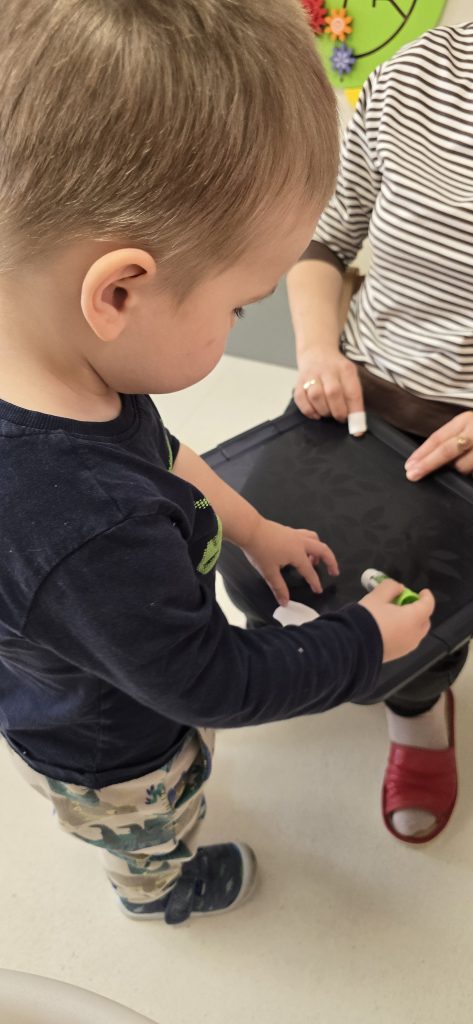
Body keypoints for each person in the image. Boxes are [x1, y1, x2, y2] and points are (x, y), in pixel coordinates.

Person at [0, 0, 434, 927]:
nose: (242, 323)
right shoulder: (85, 527)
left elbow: (154, 452)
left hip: (106, 671)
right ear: (120, 292)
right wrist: (363, 644)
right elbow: (211, 682)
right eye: (241, 305)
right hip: (111, 753)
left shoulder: (60, 371)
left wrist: (251, 525)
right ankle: (162, 890)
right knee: (150, 827)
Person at [287, 22, 473, 843]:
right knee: (284, 569)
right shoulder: (413, 74)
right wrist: (316, 353)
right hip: (362, 388)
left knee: (425, 611)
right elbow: (324, 242)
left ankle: (418, 709)